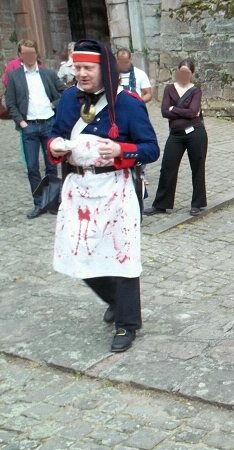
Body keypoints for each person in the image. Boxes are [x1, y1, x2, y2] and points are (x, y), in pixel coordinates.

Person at [47, 39, 160, 353]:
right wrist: (54, 145)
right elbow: (55, 131)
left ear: (103, 69)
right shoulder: (70, 98)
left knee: (122, 257)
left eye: (88, 68)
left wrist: (122, 149)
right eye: (78, 67)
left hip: (116, 188)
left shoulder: (128, 103)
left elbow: (150, 148)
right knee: (78, 252)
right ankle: (116, 301)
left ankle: (127, 324)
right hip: (78, 190)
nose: (81, 73)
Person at [5, 39, 67, 218]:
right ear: (20, 56)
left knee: (52, 166)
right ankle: (38, 203)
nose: (29, 57)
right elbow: (10, 103)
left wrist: (52, 104)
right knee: (32, 167)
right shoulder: (15, 76)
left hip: (49, 124)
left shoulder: (48, 74)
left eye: (32, 54)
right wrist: (21, 123)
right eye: (25, 54)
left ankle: (53, 201)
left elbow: (65, 92)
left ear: (36, 54)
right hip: (29, 126)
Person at [144, 59, 207, 217]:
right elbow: (165, 111)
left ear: (192, 74)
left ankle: (197, 204)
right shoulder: (169, 89)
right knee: (167, 167)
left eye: (187, 72)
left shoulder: (196, 91)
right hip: (176, 135)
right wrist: (183, 111)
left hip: (195, 133)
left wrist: (174, 109)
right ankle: (161, 204)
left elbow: (193, 112)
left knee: (197, 168)